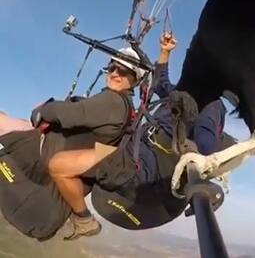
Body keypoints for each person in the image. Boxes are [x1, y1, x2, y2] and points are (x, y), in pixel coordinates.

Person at [47, 32, 234, 239]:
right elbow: (161, 81)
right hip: (134, 152)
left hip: (143, 170)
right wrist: (165, 52)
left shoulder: (210, 105)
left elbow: (206, 144)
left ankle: (83, 221)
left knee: (59, 164)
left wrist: (201, 177)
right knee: (74, 141)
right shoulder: (182, 92)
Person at [0, 46, 144, 240]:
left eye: (124, 71)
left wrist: (44, 110)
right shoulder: (121, 107)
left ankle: (83, 219)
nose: (115, 73)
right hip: (43, 143)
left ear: (135, 80)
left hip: (39, 149)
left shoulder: (114, 102)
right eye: (112, 68)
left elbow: (65, 113)